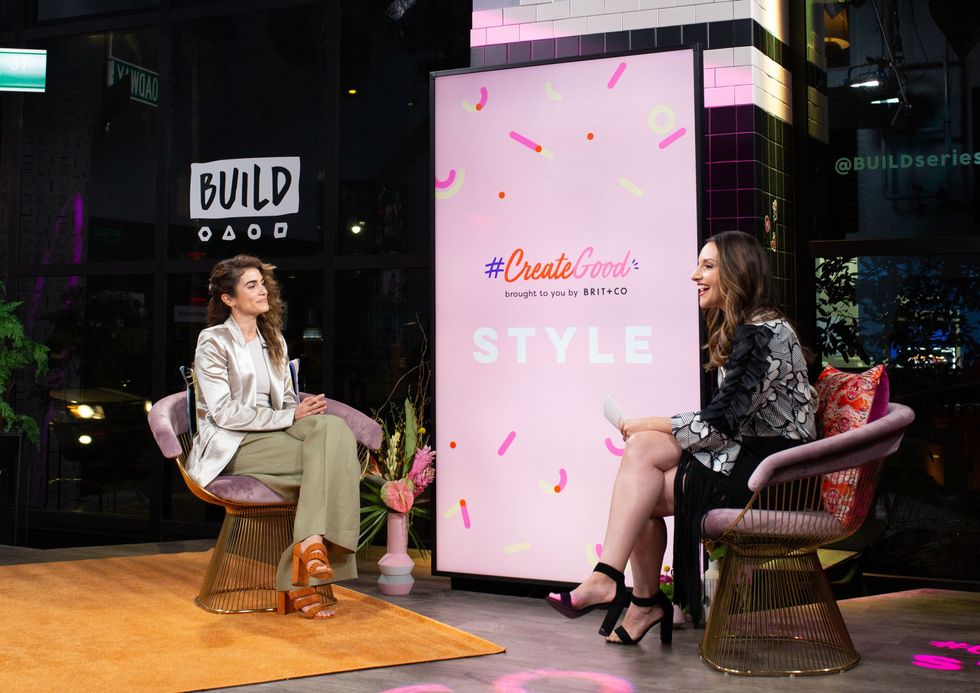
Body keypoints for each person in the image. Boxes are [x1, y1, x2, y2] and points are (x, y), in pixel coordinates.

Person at [545, 230, 818, 645]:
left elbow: (721, 424)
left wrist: (648, 421)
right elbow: (726, 421)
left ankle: (633, 595)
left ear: (737, 273)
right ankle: (617, 584)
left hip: (776, 474)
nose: (695, 275)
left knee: (642, 490)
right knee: (641, 452)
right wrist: (646, 429)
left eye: (707, 266)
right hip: (748, 454)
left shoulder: (764, 335)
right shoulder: (751, 328)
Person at [186, 254, 360, 620]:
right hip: (235, 442)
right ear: (229, 299)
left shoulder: (274, 338)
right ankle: (304, 569)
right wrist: (288, 416)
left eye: (262, 283)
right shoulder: (213, 341)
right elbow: (224, 412)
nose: (263, 290)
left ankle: (308, 547)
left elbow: (286, 401)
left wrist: (300, 410)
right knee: (330, 462)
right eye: (251, 285)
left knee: (334, 429)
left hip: (277, 433)